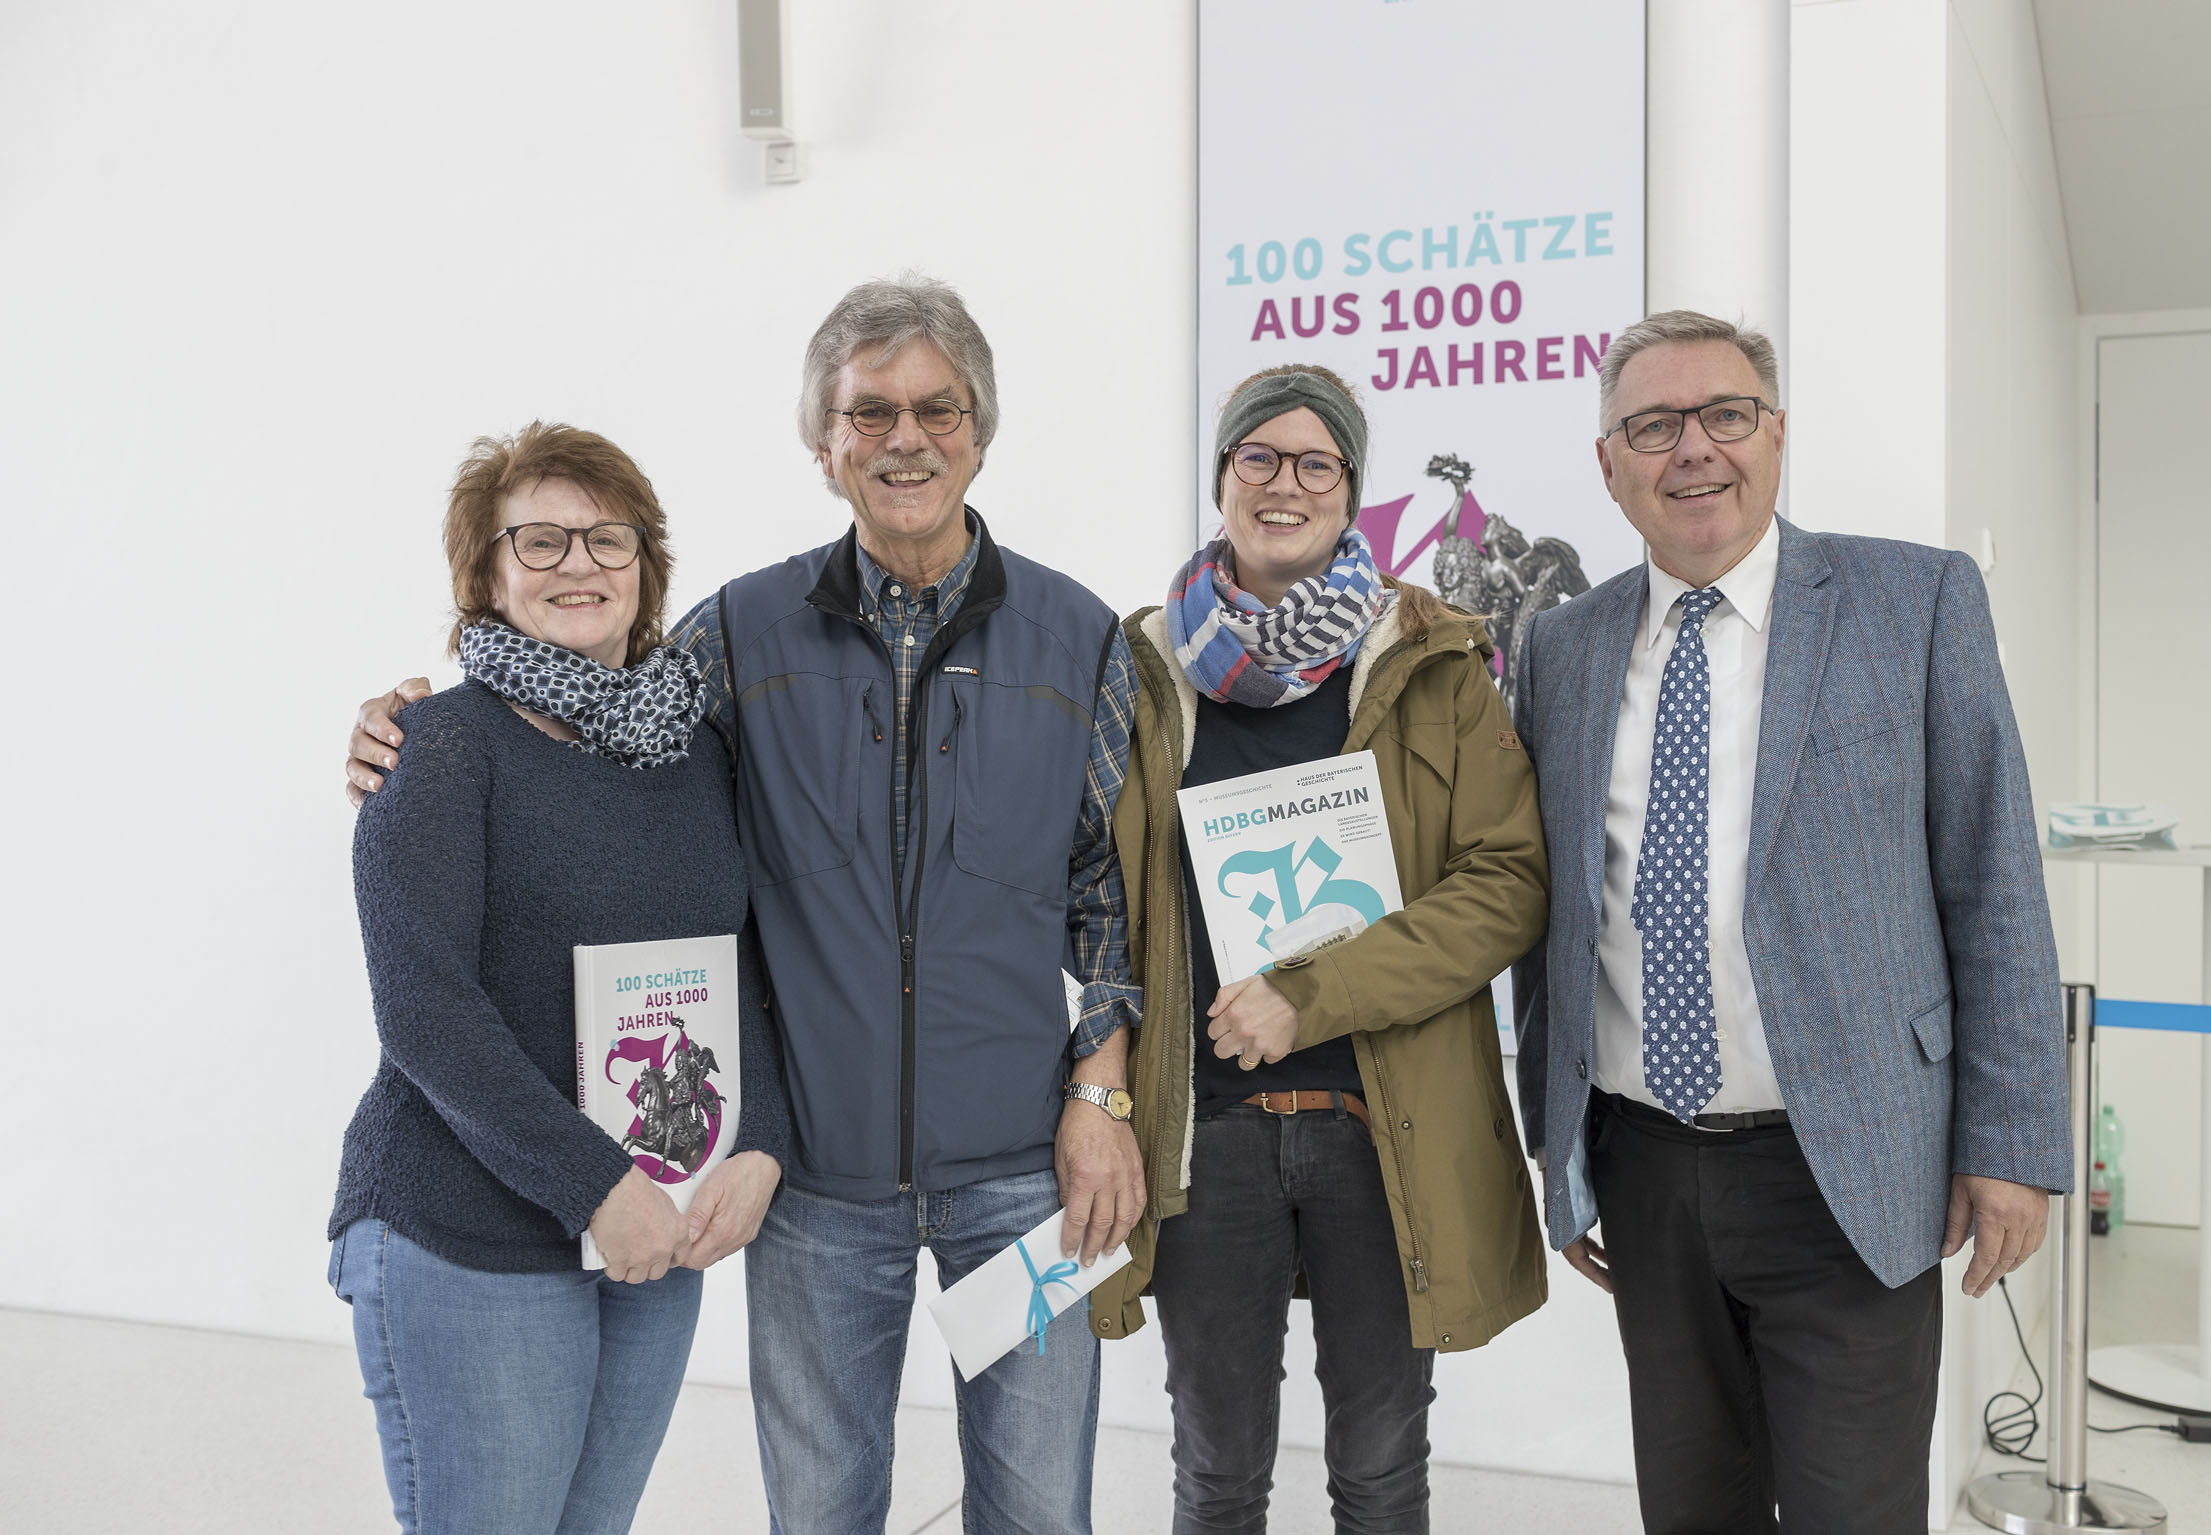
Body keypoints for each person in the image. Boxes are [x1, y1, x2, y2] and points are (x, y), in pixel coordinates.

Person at [344, 277, 1144, 1535]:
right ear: (821, 446)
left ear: (980, 430)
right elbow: (580, 716)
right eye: (865, 413)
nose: (903, 439)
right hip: (816, 1187)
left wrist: (1101, 1098)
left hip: (1022, 1177)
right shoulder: (733, 637)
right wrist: (406, 724)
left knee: (1042, 1510)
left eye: (935, 408)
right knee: (819, 1512)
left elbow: (1113, 888)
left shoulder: (1083, 638)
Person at [1510, 310, 2069, 1532]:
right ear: (1608, 464)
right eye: (1651, 425)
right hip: (1643, 1162)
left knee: (1849, 1512)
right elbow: (1548, 910)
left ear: (1775, 436)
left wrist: (2013, 1137)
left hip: (1850, 1163)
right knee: (1690, 1507)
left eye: (1723, 414)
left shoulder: (1910, 599)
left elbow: (1992, 878)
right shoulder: (1558, 644)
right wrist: (1551, 1146)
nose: (1691, 449)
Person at [1091, 365, 1550, 1534]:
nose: (1283, 484)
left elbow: (1506, 885)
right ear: (1221, 477)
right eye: (1258, 456)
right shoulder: (1140, 669)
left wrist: (1311, 994)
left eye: (1314, 462)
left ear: (1349, 490)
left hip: (1381, 1128)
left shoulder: (1435, 659)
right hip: (1208, 1130)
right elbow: (1088, 883)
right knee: (1216, 1474)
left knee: (1383, 1473)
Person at [329, 422, 788, 1535]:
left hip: (656, 1223)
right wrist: (595, 1185)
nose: (578, 563)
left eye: (606, 538)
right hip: (468, 1233)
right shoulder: (437, 747)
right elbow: (425, 1011)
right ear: (484, 576)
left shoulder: (699, 751)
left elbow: (745, 963)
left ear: (646, 567)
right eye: (537, 541)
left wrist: (759, 1137)